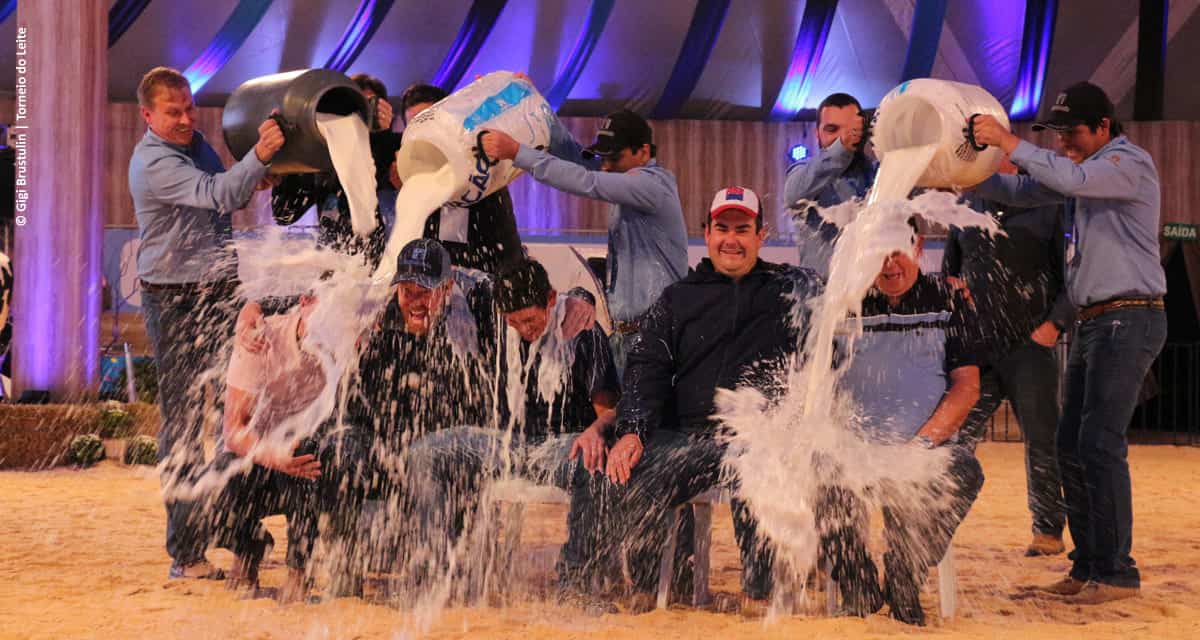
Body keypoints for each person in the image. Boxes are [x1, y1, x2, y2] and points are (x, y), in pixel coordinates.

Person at [971, 81, 1168, 604]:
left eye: (1071, 133)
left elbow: (1069, 175)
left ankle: (1118, 573)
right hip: (1097, 322)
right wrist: (957, 174)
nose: (1063, 144)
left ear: (1104, 126)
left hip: (1130, 318)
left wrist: (1010, 143)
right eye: (1056, 136)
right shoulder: (1082, 172)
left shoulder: (1129, 164)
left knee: (1100, 445)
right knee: (1070, 447)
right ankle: (1086, 567)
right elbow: (1017, 192)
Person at [580, 187, 820, 611]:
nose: (732, 239)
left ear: (761, 234)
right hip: (691, 435)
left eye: (743, 229)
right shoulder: (677, 298)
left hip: (760, 436)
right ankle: (662, 587)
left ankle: (759, 596)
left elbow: (826, 346)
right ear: (706, 233)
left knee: (759, 461)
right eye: (722, 228)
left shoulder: (788, 293)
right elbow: (646, 368)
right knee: (640, 466)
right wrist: (633, 431)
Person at [128, 65, 283, 580]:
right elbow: (218, 195)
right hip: (175, 302)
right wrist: (258, 156)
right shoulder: (152, 162)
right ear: (147, 115)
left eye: (189, 108)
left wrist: (267, 172)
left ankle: (239, 536)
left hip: (220, 292)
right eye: (173, 112)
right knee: (185, 425)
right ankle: (187, 553)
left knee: (239, 410)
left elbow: (231, 194)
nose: (185, 119)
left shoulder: (197, 145)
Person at [401, 257, 620, 608]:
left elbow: (609, 412)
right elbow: (457, 276)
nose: (524, 330)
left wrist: (595, 432)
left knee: (592, 463)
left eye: (531, 320)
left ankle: (577, 583)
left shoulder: (584, 332)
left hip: (561, 445)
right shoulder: (493, 319)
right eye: (514, 322)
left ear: (551, 299)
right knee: (425, 452)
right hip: (503, 443)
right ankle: (436, 571)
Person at [823, 219, 985, 625]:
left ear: (918, 247)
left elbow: (966, 388)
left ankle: (904, 575)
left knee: (965, 471)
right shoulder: (843, 303)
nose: (889, 263)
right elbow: (818, 387)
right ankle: (856, 583)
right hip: (855, 449)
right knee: (815, 472)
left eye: (897, 249)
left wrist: (920, 447)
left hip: (924, 447)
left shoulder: (949, 299)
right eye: (877, 251)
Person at [481, 108, 688, 371]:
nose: (605, 165)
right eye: (603, 156)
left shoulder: (652, 186)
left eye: (614, 157)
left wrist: (517, 152)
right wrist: (535, 105)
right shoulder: (623, 175)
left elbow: (587, 180)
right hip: (628, 337)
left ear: (644, 153)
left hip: (658, 339)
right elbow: (577, 159)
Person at [944, 155, 1074, 557]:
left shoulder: (1047, 205)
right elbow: (950, 270)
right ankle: (936, 523)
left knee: (1042, 439)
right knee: (954, 437)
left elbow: (1070, 274)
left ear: (1013, 160)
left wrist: (1054, 325)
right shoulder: (962, 208)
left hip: (1030, 345)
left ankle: (1048, 530)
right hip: (977, 348)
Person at [213, 293, 324, 602]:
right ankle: (249, 551)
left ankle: (299, 570)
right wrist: (274, 456)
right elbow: (234, 432)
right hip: (259, 456)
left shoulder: (345, 336)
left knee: (307, 452)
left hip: (305, 457)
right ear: (305, 303)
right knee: (220, 474)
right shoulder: (259, 339)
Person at [398, 83, 524, 275]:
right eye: (415, 126)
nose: (425, 136)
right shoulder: (412, 174)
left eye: (428, 122)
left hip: (495, 277)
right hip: (438, 287)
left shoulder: (480, 156)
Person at [269, 73, 394, 261]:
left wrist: (381, 134)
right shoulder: (322, 162)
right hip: (334, 274)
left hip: (383, 271)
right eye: (350, 108)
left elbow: (386, 173)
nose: (357, 117)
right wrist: (291, 152)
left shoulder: (391, 149)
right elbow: (284, 214)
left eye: (366, 107)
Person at [783, 93, 878, 278]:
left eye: (852, 129)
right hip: (819, 300)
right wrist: (843, 146)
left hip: (873, 298)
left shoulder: (880, 173)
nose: (842, 136)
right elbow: (793, 195)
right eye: (832, 129)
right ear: (817, 133)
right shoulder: (803, 171)